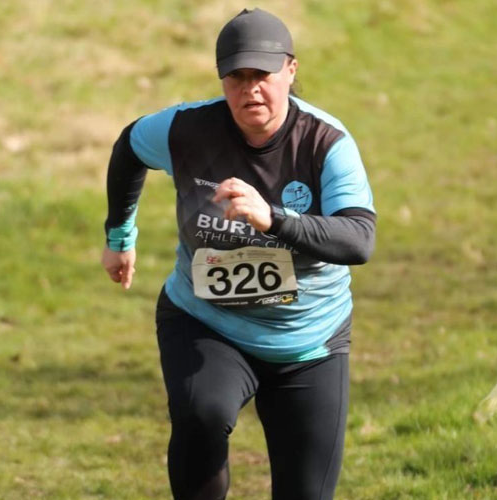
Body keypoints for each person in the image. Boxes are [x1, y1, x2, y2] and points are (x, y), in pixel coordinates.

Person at [101, 8, 376, 500]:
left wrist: (273, 219)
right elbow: (129, 147)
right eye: (237, 77)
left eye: (263, 76)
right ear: (222, 79)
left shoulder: (326, 143)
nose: (251, 90)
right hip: (206, 323)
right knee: (201, 414)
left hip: (309, 343)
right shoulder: (186, 130)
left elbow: (358, 239)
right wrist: (120, 237)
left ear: (290, 71)